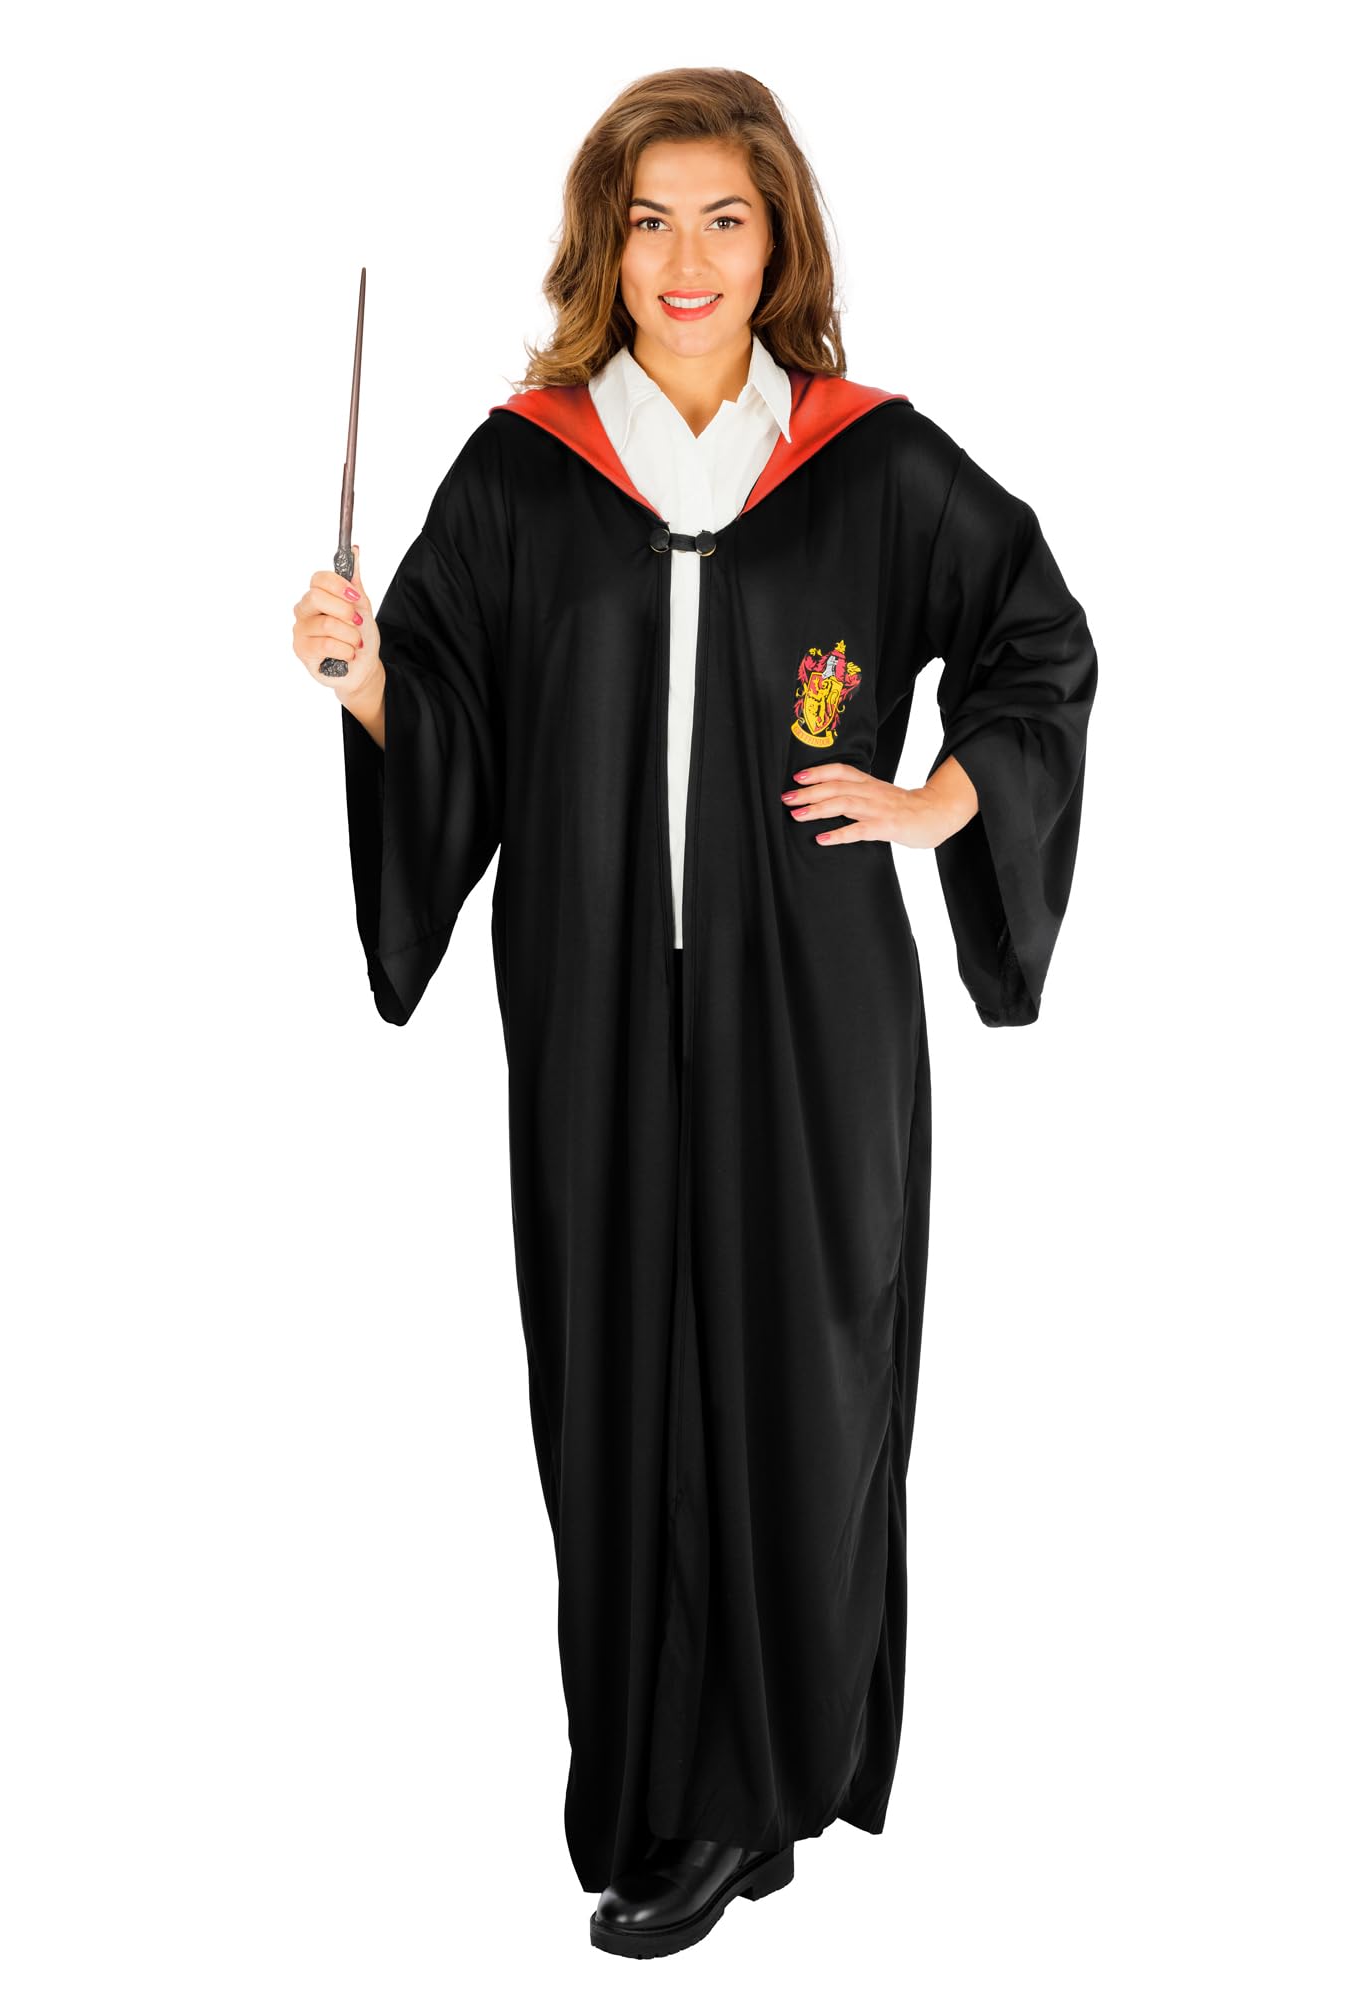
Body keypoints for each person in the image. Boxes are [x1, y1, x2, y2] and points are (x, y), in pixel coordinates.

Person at [290, 66, 1097, 1960]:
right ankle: (662, 1790)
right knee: (616, 1384)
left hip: (813, 1017)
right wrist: (367, 680)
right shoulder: (528, 468)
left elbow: (1037, 635)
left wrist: (939, 801)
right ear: (605, 241)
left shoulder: (865, 462)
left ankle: (756, 1789)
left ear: (775, 239)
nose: (685, 257)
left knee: (800, 1382)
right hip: (592, 1012)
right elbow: (456, 720)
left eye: (723, 218)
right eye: (648, 218)